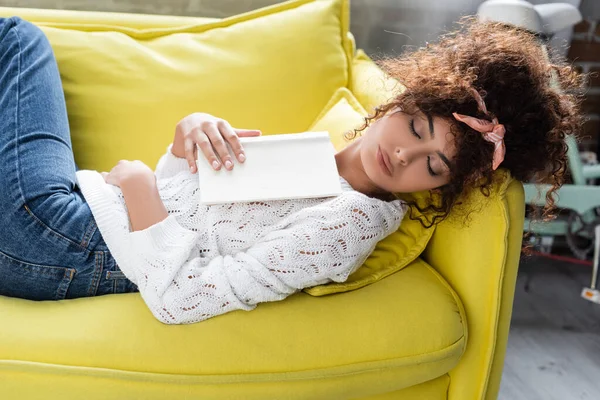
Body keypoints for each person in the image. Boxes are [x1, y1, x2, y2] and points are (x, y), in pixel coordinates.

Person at [0, 15, 584, 324]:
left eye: (432, 166)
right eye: (415, 129)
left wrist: (137, 189)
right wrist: (184, 143)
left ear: (445, 186)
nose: (403, 157)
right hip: (66, 227)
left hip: (62, 245)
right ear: (404, 101)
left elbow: (182, 298)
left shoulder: (352, 224)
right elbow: (190, 216)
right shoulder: (315, 156)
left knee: (17, 38)